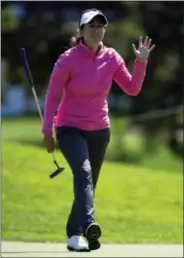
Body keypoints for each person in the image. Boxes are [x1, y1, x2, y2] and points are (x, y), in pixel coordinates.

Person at [42, 8, 155, 252]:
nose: (97, 30)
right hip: (69, 127)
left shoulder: (112, 57)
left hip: (100, 130)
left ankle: (74, 235)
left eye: (100, 26)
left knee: (89, 184)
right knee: (83, 174)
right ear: (81, 31)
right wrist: (46, 131)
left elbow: (132, 88)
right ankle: (89, 226)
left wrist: (141, 63)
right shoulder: (68, 59)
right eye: (91, 26)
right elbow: (52, 97)